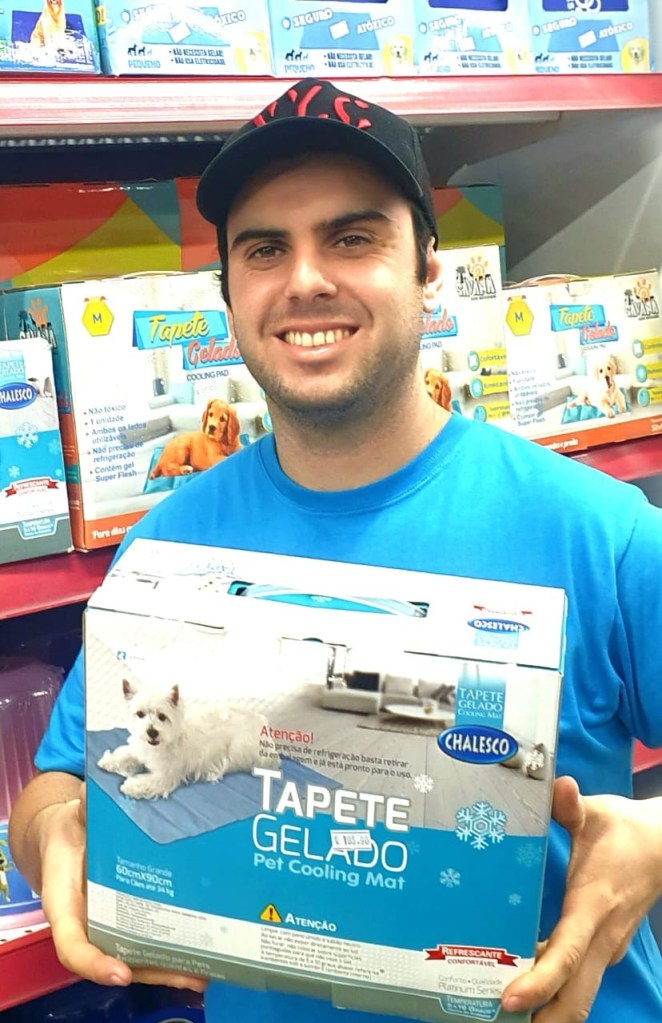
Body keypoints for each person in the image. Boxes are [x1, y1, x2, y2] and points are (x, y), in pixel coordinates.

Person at [9, 78, 662, 1023]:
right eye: (264, 249)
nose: (305, 280)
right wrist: (53, 840)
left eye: (352, 238)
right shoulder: (167, 547)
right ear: (227, 292)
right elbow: (60, 784)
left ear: (430, 270)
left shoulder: (602, 534)